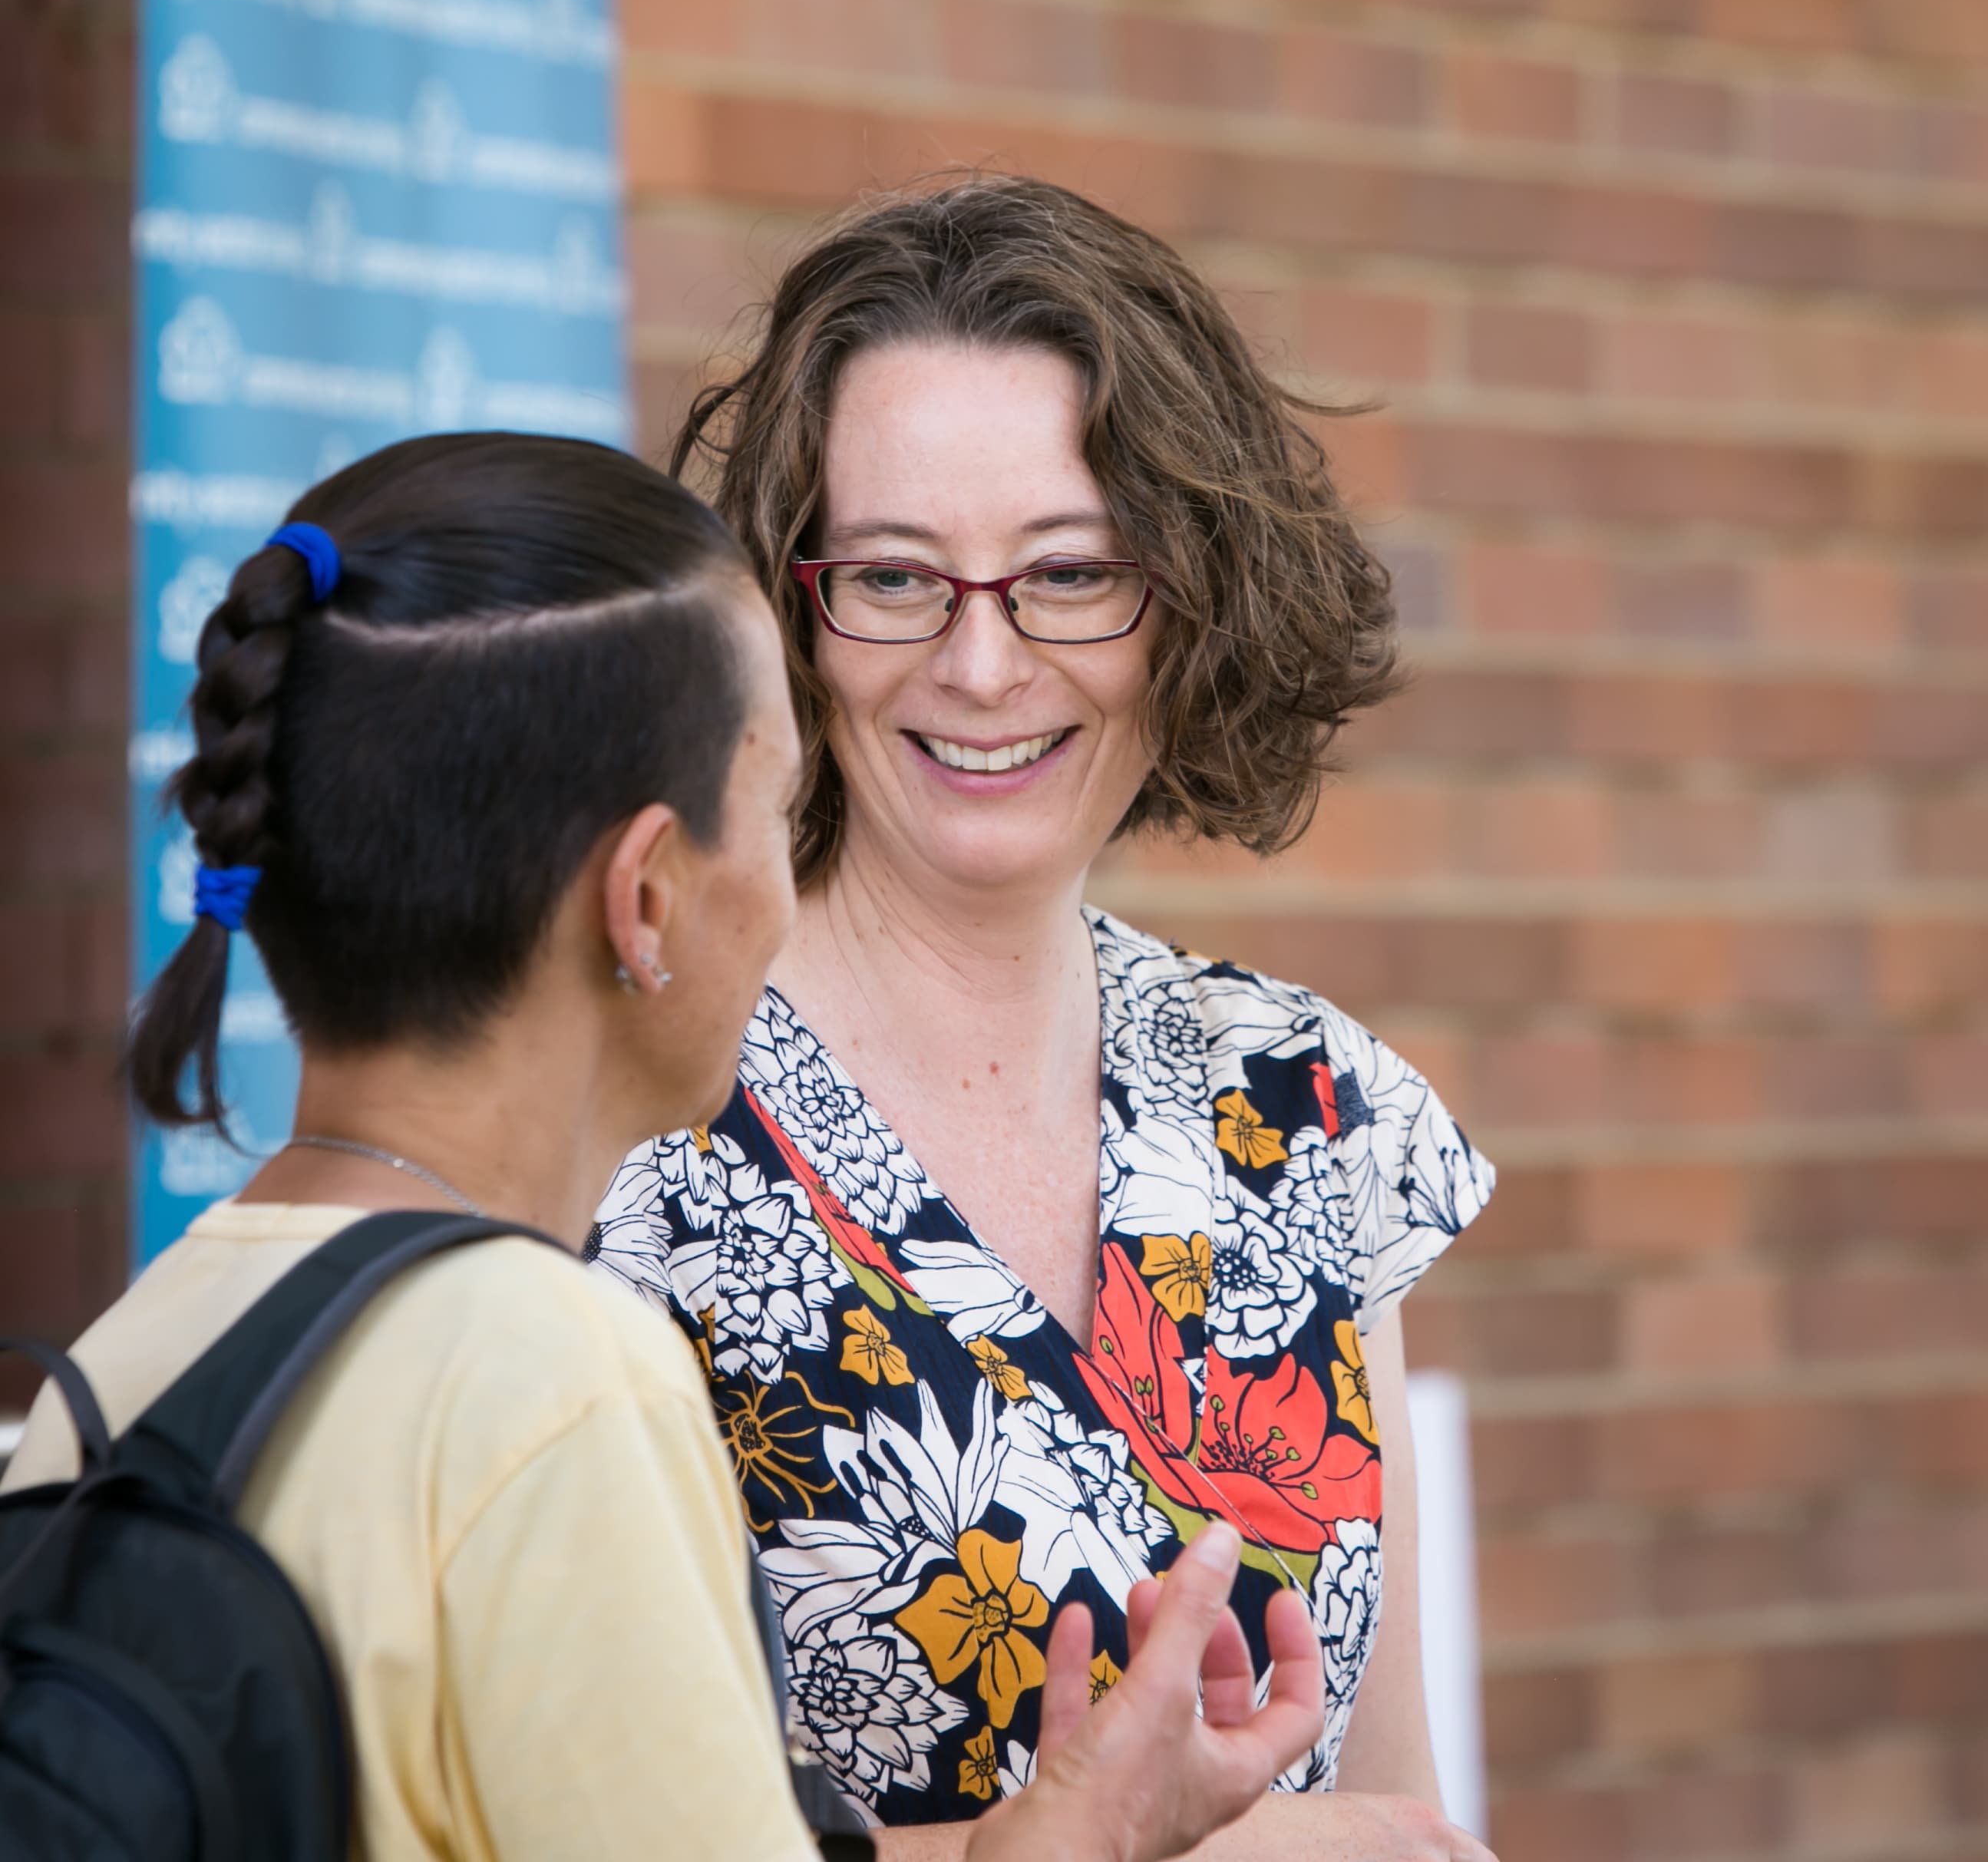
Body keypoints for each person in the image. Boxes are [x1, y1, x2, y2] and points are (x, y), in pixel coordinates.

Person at [5, 432, 1329, 1862]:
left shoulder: (139, 1356)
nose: (782, 891)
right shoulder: (549, 1377)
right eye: (774, 811)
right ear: (643, 897)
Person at [591, 177, 1500, 1860]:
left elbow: (1402, 1814)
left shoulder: (1310, 1101)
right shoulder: (632, 1126)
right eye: (894, 577)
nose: (984, 665)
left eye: (1069, 573)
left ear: (1188, 603)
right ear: (791, 612)